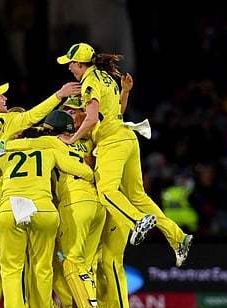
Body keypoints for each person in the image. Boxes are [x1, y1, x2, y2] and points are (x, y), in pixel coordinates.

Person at [56, 42, 193, 267]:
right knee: (138, 196)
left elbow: (90, 119)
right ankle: (178, 238)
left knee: (107, 191)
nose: (69, 67)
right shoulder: (106, 78)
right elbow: (115, 113)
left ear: (80, 63)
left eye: (71, 63)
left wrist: (70, 138)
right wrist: (126, 92)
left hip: (112, 142)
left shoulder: (89, 81)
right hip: (127, 137)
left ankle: (137, 220)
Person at [0, 114, 95, 308]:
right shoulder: (50, 148)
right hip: (44, 210)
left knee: (11, 270)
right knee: (43, 268)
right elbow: (84, 172)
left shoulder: (4, 150)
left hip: (10, 210)